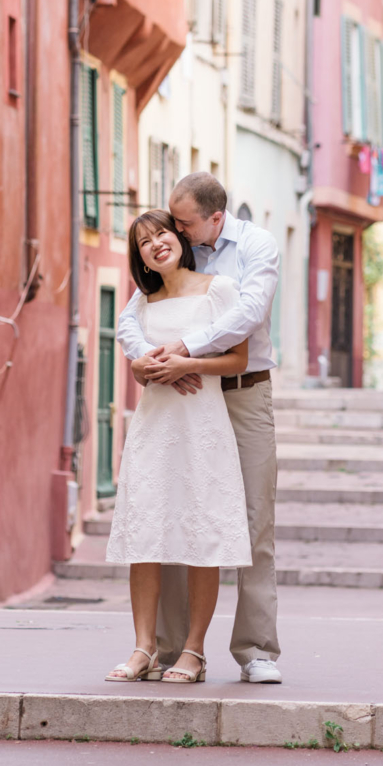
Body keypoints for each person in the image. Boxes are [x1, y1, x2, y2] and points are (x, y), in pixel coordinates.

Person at [116, 172, 284, 685]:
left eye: (181, 223)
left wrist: (188, 353)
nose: (175, 232)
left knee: (249, 522)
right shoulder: (174, 255)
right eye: (170, 224)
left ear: (215, 217)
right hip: (179, 403)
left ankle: (255, 650)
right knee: (170, 518)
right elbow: (133, 317)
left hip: (242, 393)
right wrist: (140, 357)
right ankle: (166, 648)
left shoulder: (255, 246)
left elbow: (250, 315)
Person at [104, 209, 251, 684]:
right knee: (145, 534)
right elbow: (133, 354)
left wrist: (186, 367)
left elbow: (238, 359)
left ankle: (193, 651)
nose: (155, 245)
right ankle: (143, 648)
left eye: (161, 233)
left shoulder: (219, 289)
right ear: (140, 258)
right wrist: (143, 369)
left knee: (201, 534)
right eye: (143, 242)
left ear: (179, 238)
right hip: (154, 425)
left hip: (201, 426)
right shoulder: (141, 303)